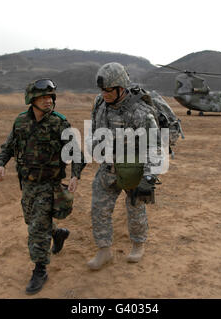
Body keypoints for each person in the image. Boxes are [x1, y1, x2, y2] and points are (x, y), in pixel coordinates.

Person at [0, 79, 85, 294]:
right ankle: (58, 233)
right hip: (27, 184)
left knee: (36, 228)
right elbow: (8, 146)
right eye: (43, 97)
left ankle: (40, 269)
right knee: (33, 219)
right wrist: (0, 163)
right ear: (31, 100)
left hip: (49, 185)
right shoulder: (20, 122)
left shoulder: (59, 123)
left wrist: (75, 175)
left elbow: (77, 154)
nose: (48, 101)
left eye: (51, 97)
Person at [87, 62, 162, 270]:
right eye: (102, 90)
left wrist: (148, 178)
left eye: (109, 90)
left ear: (121, 88)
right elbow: (95, 130)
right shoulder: (99, 103)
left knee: (135, 210)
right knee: (99, 209)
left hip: (133, 170)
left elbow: (154, 146)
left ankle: (138, 244)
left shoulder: (141, 112)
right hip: (108, 168)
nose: (105, 94)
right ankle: (104, 251)